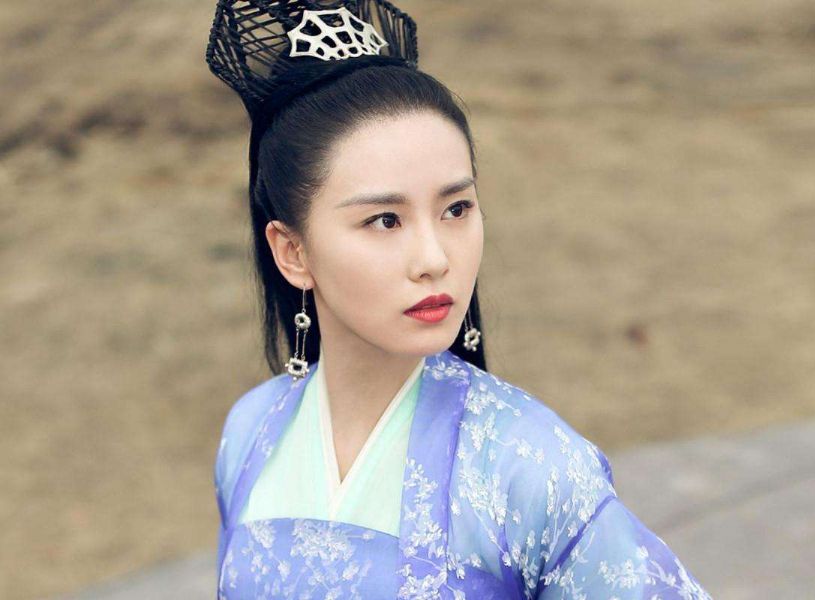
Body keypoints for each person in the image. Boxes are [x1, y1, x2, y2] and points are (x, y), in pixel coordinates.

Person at [205, 1, 713, 598]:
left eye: (456, 209)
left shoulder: (530, 467)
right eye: (385, 220)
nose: (434, 258)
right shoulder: (251, 433)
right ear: (292, 252)